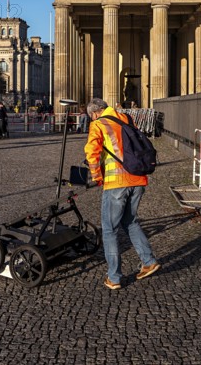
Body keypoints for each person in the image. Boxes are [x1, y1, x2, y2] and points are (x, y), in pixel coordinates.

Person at [84, 97, 160, 290]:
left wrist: (96, 176)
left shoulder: (98, 124)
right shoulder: (126, 118)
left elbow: (91, 153)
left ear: (95, 113)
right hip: (138, 178)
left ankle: (114, 277)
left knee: (109, 229)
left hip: (116, 182)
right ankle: (149, 261)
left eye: (91, 116)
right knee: (130, 221)